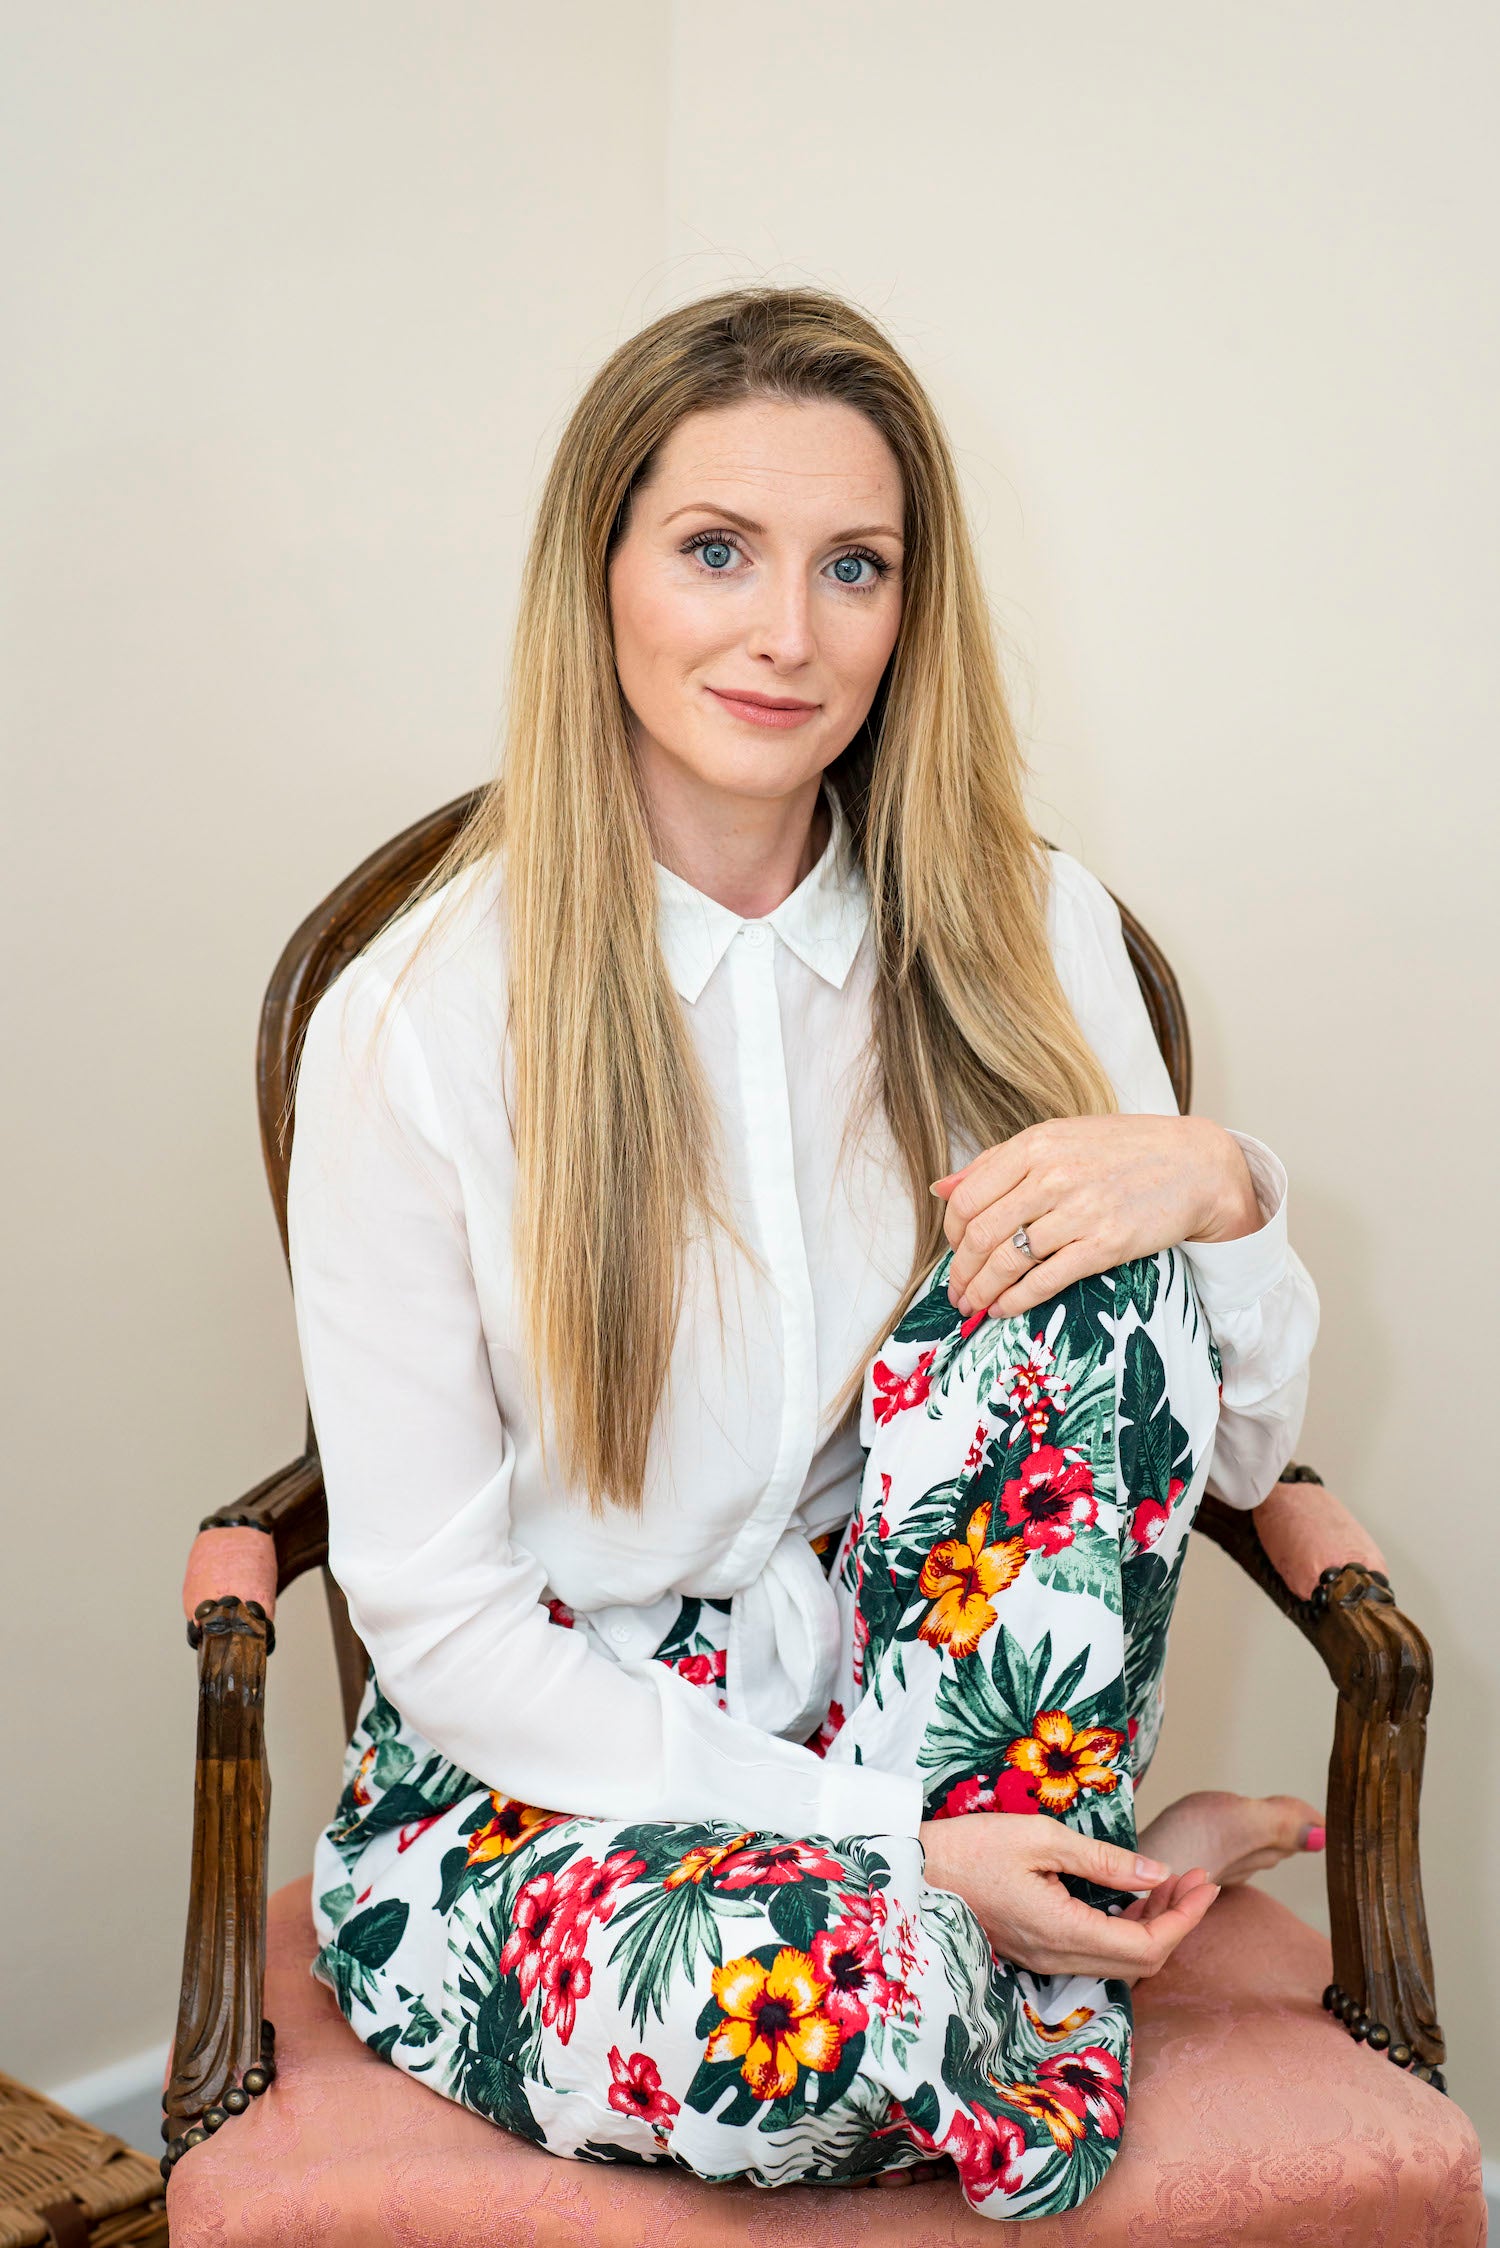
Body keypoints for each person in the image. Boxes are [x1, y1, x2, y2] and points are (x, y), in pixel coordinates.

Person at [286, 285, 1323, 2221]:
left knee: (1096, 1250)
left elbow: (1231, 1442)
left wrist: (1220, 1180)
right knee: (785, 2027)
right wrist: (911, 1847)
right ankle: (1076, 1904)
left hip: (924, 1695)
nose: (787, 632)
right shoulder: (416, 1019)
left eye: (856, 565)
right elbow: (444, 1633)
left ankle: (1043, 1891)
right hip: (540, 1781)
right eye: (715, 551)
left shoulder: (1028, 921)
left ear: (911, 609)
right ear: (598, 576)